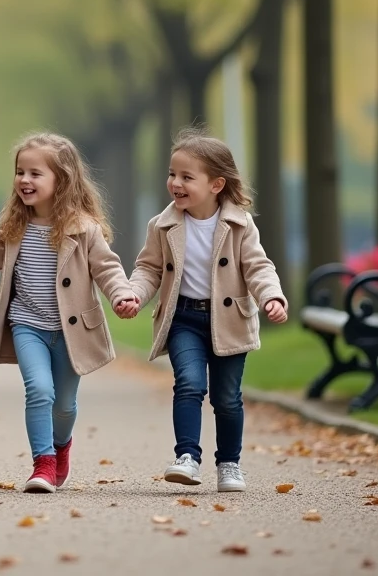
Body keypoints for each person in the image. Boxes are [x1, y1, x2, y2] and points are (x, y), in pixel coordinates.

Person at [0, 133, 138, 493]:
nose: (25, 180)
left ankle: (61, 447)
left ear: (62, 179)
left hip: (72, 333)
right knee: (39, 390)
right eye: (20, 172)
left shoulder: (83, 229)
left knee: (65, 406)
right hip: (28, 325)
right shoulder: (14, 227)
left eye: (35, 173)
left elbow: (108, 269)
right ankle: (43, 463)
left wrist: (122, 294)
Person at [117, 126, 288, 492]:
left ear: (216, 185)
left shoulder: (240, 225)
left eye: (186, 177)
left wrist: (270, 296)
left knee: (227, 398)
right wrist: (133, 293)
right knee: (189, 385)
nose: (175, 183)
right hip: (184, 319)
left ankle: (229, 464)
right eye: (171, 174)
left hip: (229, 321)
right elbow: (148, 268)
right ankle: (187, 458)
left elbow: (258, 267)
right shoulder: (162, 225)